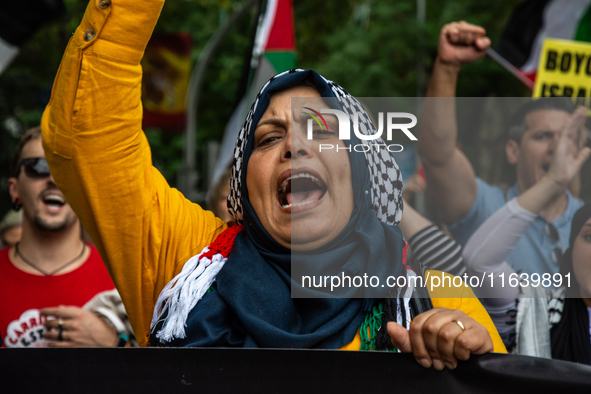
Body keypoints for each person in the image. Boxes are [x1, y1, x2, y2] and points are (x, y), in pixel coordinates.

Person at [42, 0, 504, 370]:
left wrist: (469, 361)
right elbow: (86, 140)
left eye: (321, 130)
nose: (295, 147)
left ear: (360, 170)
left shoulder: (433, 300)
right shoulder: (185, 264)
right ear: (246, 182)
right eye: (269, 138)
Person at [418, 21, 587, 276]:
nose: (557, 148)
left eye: (566, 137)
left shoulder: (586, 222)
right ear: (513, 151)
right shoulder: (484, 208)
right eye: (543, 136)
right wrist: (447, 68)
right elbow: (438, 157)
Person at [461, 109, 590, 358]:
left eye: (566, 138)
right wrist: (554, 181)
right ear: (571, 251)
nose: (556, 147)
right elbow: (480, 261)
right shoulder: (539, 310)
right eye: (590, 237)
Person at [0, 127, 135, 348]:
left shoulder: (122, 280)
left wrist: (114, 344)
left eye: (67, 169)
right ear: (14, 190)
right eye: (38, 167)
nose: (54, 179)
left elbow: (157, 378)